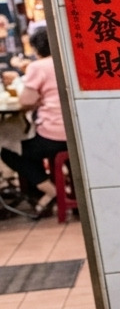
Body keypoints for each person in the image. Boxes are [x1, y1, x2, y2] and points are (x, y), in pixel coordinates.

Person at [0, 27, 66, 217]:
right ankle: (49, 191)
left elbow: (25, 101)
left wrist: (38, 100)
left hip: (54, 135)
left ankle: (51, 192)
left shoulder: (38, 67)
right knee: (28, 147)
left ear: (36, 48)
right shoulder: (66, 62)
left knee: (11, 153)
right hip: (75, 134)